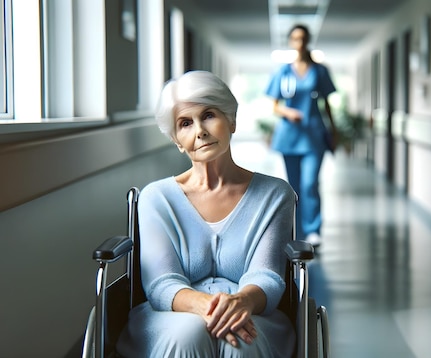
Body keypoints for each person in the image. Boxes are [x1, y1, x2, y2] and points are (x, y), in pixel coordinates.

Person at [116, 70, 296, 357]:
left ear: (232, 121)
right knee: (188, 333)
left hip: (252, 314)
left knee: (241, 343)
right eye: (185, 123)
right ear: (177, 139)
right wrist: (208, 307)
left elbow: (267, 276)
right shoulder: (156, 198)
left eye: (209, 115)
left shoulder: (275, 195)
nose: (200, 130)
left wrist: (240, 303)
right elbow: (162, 284)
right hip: (171, 316)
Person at [265, 23, 337, 247]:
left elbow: (327, 103)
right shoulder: (283, 71)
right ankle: (297, 229)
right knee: (294, 187)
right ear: (290, 42)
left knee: (310, 184)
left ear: (308, 40)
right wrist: (288, 111)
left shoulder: (320, 70)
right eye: (295, 38)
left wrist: (333, 130)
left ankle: (313, 229)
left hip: (314, 134)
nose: (300, 42)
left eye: (304, 38)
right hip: (290, 135)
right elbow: (275, 105)